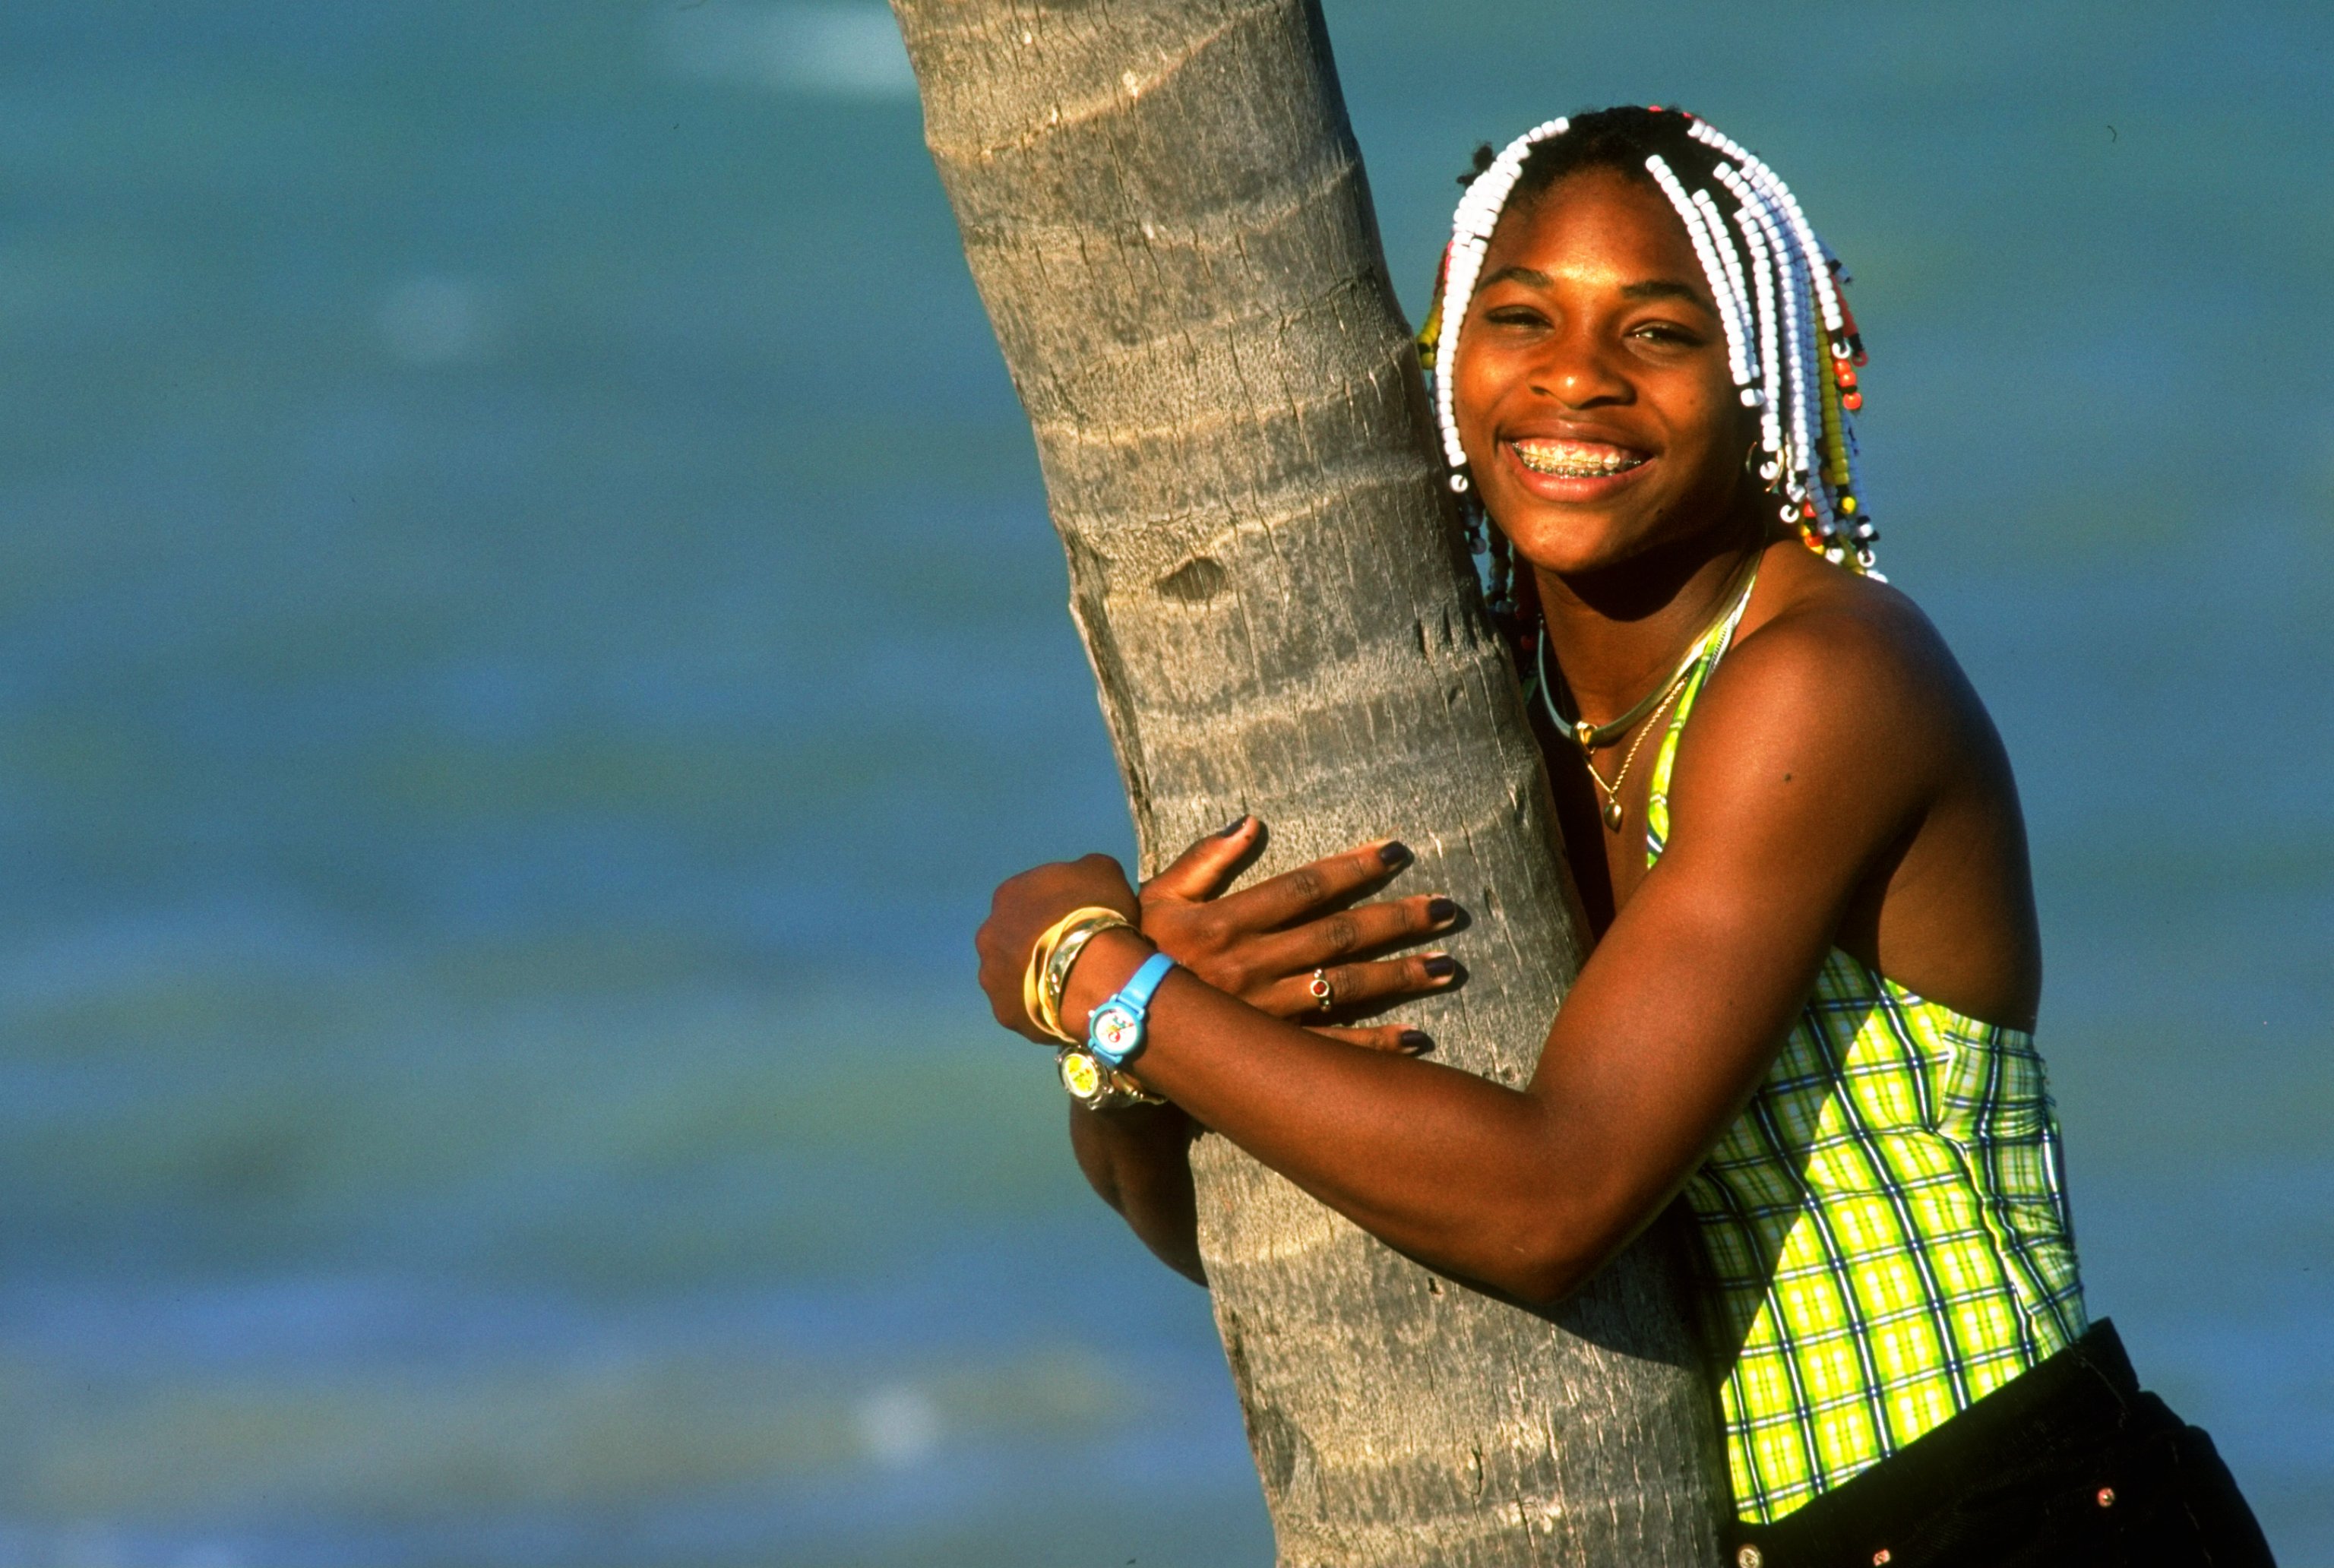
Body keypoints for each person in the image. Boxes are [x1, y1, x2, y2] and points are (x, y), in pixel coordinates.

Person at [972, 106, 2272, 1566]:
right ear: (1449, 358)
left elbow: (1550, 1200)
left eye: (1659, 335)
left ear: (1763, 380)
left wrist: (1099, 983)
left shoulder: (1827, 685)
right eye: (1519, 318)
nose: (1574, 379)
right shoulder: (1470, 725)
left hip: (2020, 1522)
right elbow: (1247, 1242)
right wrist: (1131, 1054)